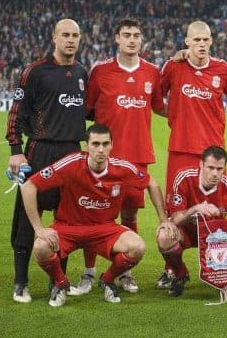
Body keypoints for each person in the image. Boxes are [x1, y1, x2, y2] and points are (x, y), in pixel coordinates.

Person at [20, 124, 171, 306]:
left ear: (111, 145)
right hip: (69, 227)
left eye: (105, 144)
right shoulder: (71, 163)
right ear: (86, 146)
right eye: (96, 144)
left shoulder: (121, 168)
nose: (101, 149)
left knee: (137, 247)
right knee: (41, 248)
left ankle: (107, 280)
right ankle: (61, 284)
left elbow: (152, 183)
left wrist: (163, 220)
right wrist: (39, 228)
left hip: (104, 229)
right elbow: (29, 186)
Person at [77, 18, 166, 294]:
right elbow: (86, 110)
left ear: (142, 40)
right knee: (96, 215)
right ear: (116, 38)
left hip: (137, 156)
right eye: (126, 34)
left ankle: (124, 271)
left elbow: (160, 106)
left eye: (136, 35)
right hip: (104, 156)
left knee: (129, 214)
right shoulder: (101, 71)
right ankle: (89, 272)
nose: (132, 39)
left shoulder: (152, 72)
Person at [6, 19, 87, 303]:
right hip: (40, 150)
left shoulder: (81, 72)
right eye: (65, 34)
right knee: (27, 218)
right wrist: (16, 149)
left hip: (73, 154)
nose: (70, 40)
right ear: (54, 37)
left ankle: (58, 281)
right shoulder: (35, 72)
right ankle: (20, 282)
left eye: (75, 35)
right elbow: (16, 111)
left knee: (65, 220)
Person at [157, 20, 227, 288]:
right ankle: (172, 269)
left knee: (217, 210)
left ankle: (219, 264)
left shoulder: (222, 69)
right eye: (197, 40)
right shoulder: (174, 66)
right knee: (177, 211)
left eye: (206, 40)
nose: (202, 44)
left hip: (213, 154)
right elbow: (156, 97)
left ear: (212, 41)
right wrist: (175, 117)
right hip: (181, 148)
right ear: (187, 42)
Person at [157, 145, 227, 297]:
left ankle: (222, 273)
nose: (215, 173)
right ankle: (180, 274)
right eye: (210, 167)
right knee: (164, 236)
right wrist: (195, 209)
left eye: (219, 169)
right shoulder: (184, 177)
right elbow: (175, 219)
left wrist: (225, 272)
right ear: (201, 164)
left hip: (216, 236)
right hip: (187, 231)